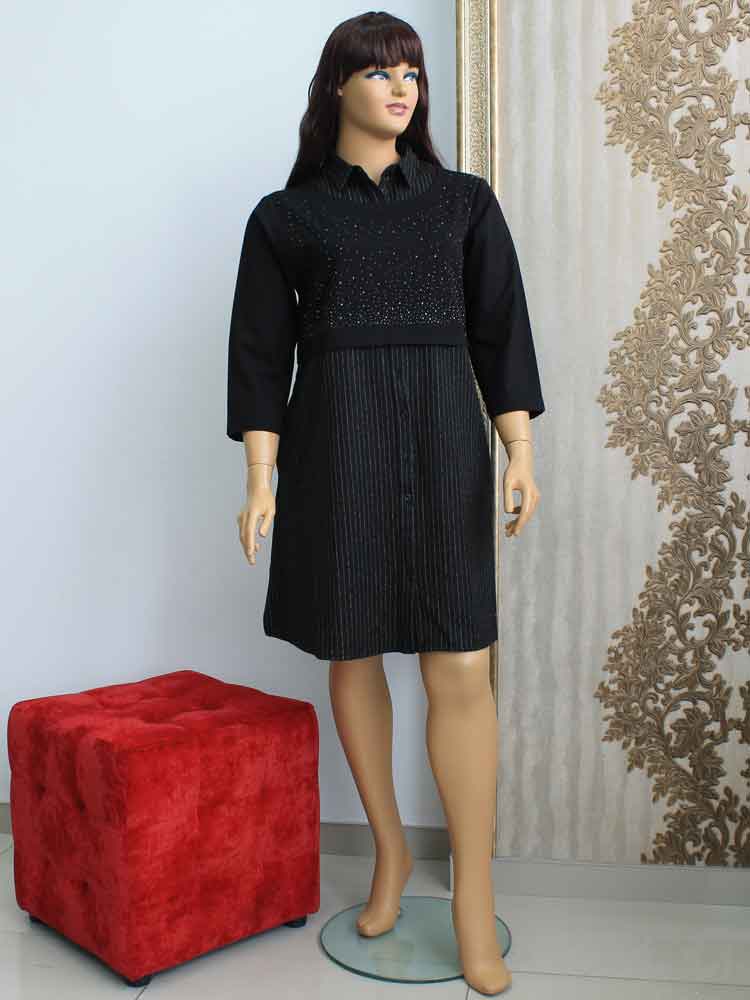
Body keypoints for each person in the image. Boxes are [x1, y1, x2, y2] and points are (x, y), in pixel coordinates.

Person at [226, 11, 545, 997]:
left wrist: (520, 448)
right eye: (379, 72)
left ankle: (471, 893)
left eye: (411, 71)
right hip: (336, 449)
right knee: (353, 650)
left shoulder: (462, 203)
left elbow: (501, 329)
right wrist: (260, 478)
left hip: (446, 445)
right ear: (337, 87)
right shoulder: (286, 217)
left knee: (461, 663)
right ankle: (392, 854)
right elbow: (258, 353)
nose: (402, 87)